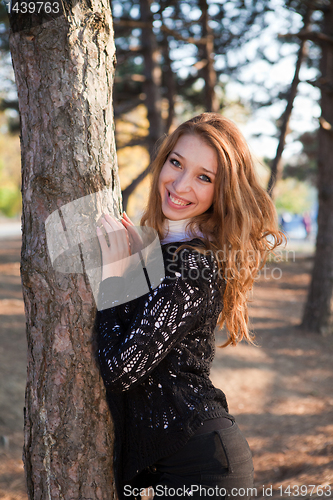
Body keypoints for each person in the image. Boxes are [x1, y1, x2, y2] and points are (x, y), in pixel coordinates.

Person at [95, 113, 285, 500]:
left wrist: (114, 280)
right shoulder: (171, 251)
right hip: (185, 462)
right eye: (176, 162)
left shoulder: (191, 265)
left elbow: (120, 370)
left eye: (204, 177)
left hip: (205, 469)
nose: (180, 184)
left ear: (223, 191)